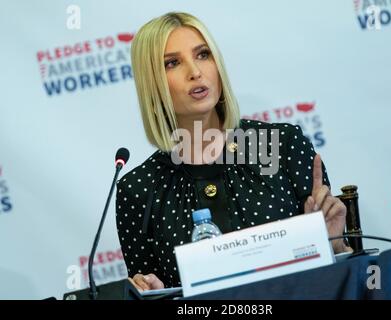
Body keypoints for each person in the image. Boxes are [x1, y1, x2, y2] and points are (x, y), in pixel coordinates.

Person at [116, 12, 351, 291]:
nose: (195, 71)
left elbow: (342, 281)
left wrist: (334, 245)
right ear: (151, 83)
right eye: (173, 63)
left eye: (203, 54)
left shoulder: (281, 145)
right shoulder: (139, 189)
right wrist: (151, 292)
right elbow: (151, 291)